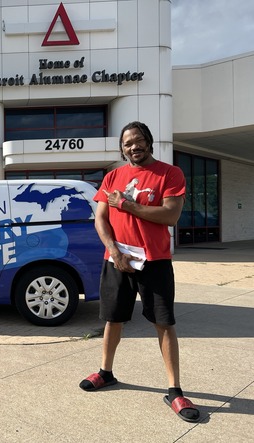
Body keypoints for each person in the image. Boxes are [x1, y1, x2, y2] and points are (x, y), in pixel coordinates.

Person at [79, 121, 200, 423]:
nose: (134, 146)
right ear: (122, 149)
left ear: (149, 142)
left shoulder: (170, 174)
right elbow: (101, 220)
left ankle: (174, 390)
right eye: (128, 143)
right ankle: (106, 373)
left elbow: (170, 215)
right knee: (113, 318)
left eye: (139, 140)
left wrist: (127, 205)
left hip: (154, 261)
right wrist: (115, 252)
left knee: (164, 322)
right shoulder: (113, 177)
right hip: (117, 260)